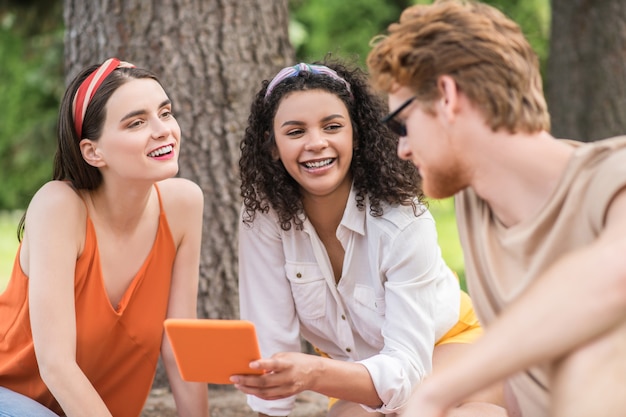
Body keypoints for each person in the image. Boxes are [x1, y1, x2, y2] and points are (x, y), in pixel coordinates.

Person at [366, 1, 626, 417]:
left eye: (402, 123)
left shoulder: (615, 175)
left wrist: (438, 392)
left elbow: (613, 276)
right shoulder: (479, 205)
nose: (402, 148)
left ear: (448, 97)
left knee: (591, 354)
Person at [234, 59, 507, 417]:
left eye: (332, 126)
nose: (316, 143)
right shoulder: (264, 219)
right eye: (295, 131)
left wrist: (314, 373)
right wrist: (273, 405)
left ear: (356, 136)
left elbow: (407, 367)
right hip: (353, 373)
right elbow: (270, 338)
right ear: (272, 146)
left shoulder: (401, 218)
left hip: (449, 345)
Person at [0, 58, 209, 417]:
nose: (163, 130)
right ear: (93, 152)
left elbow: (178, 347)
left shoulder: (184, 204)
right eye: (137, 122)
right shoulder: (59, 206)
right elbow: (56, 365)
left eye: (165, 112)